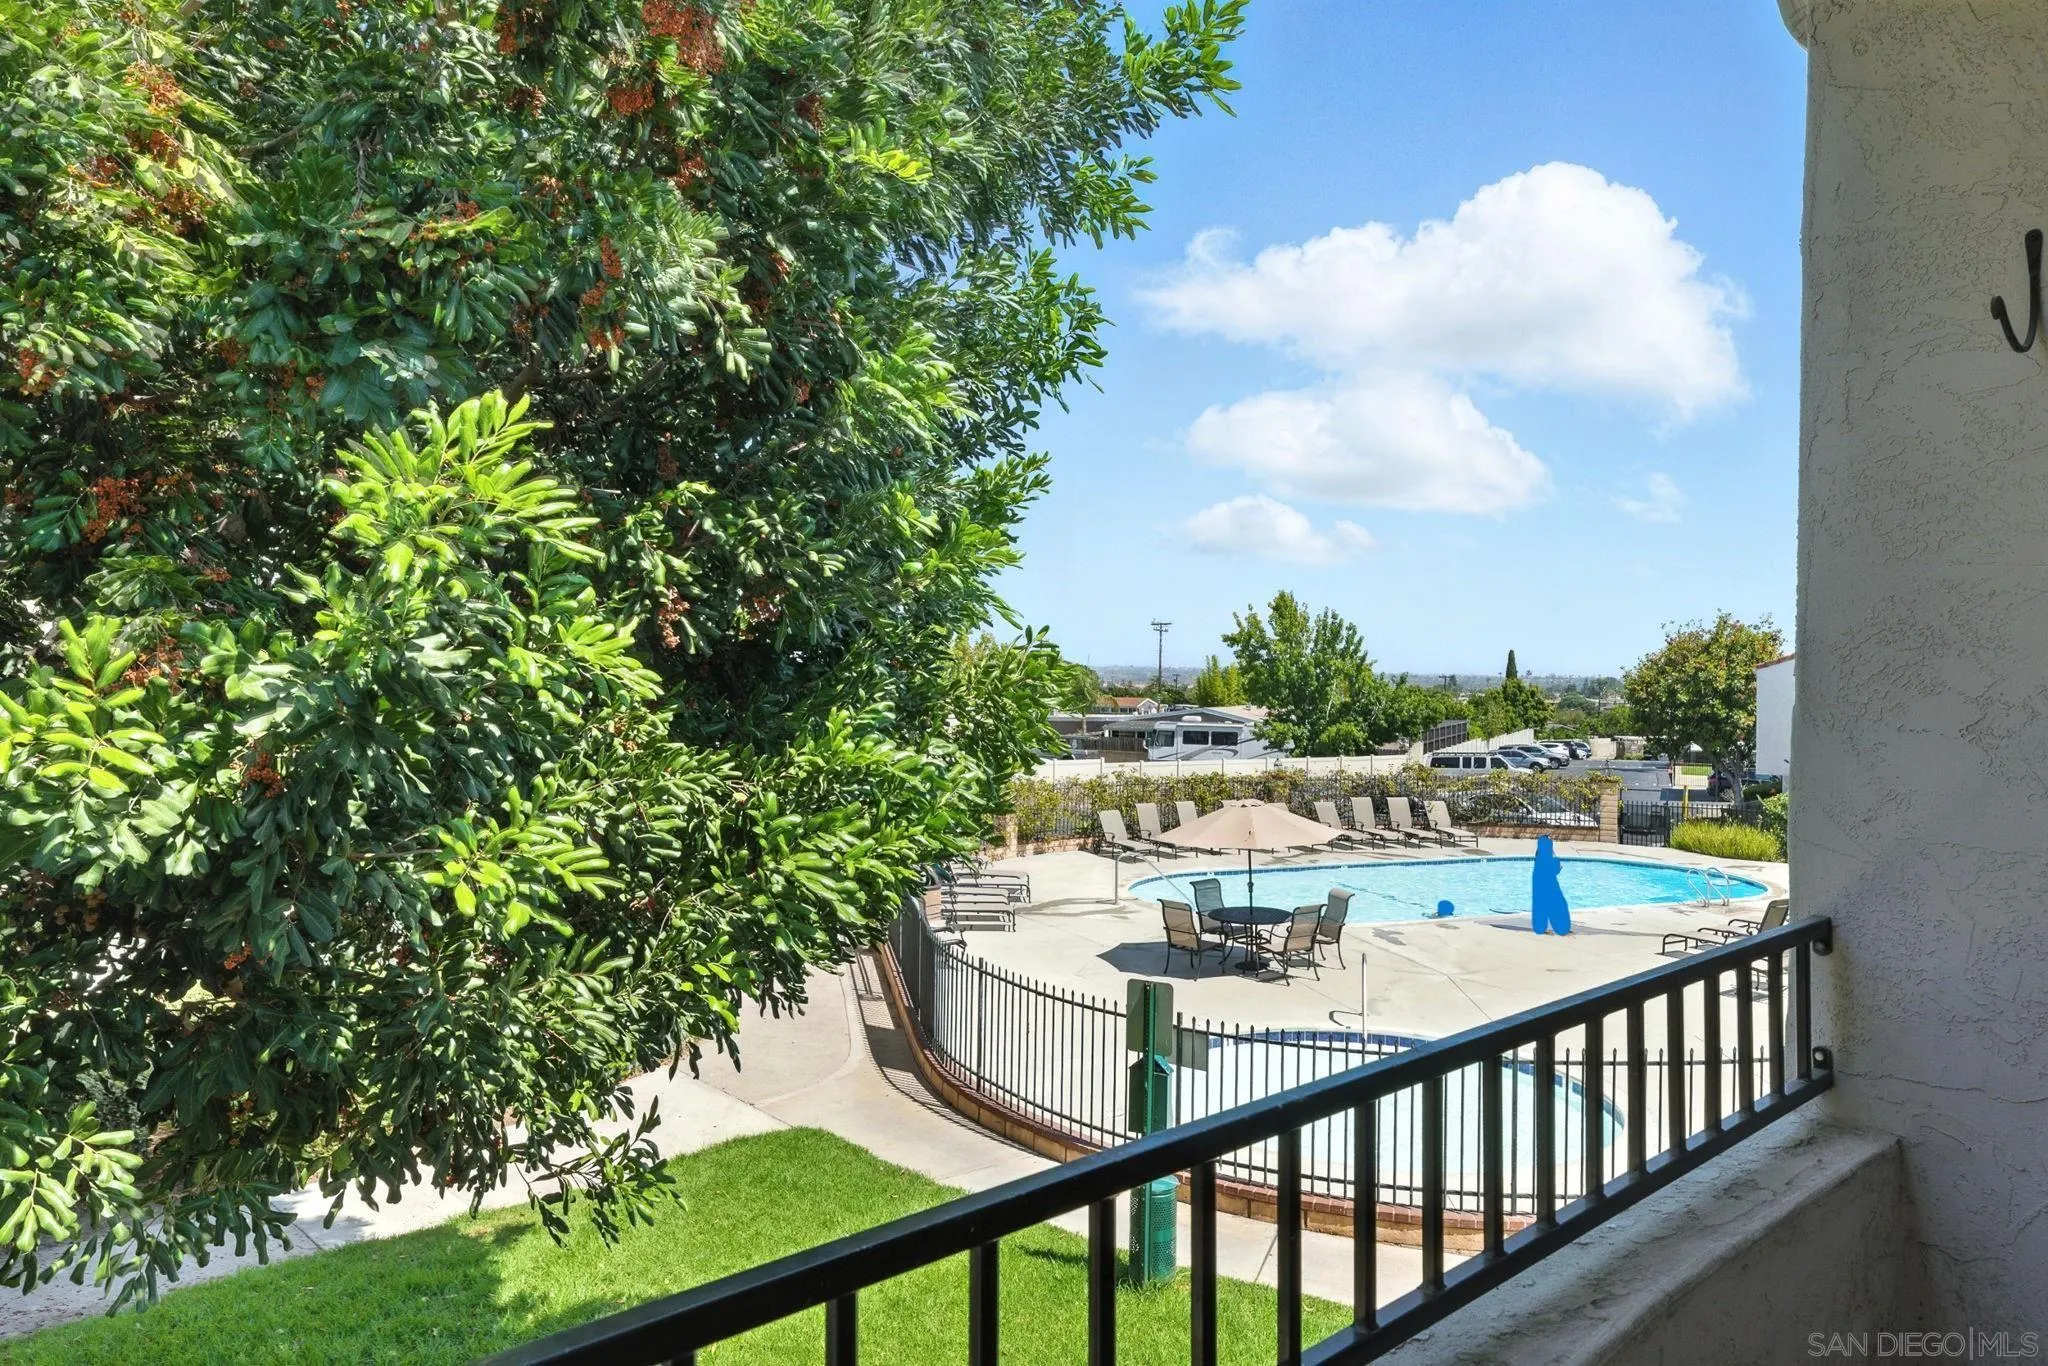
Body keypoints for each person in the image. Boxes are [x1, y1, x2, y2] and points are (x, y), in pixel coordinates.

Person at [1530, 835, 1572, 935]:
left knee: (1545, 906)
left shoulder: (1540, 855)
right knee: (1556, 904)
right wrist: (1558, 865)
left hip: (1542, 884)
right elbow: (1552, 871)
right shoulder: (1546, 856)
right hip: (1548, 884)